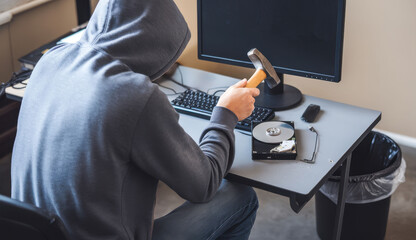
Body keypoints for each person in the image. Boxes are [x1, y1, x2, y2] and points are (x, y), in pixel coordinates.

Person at [11, 0, 260, 239]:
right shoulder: (134, 95)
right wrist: (226, 114)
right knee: (241, 196)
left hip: (40, 233)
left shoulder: (49, 61)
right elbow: (204, 184)